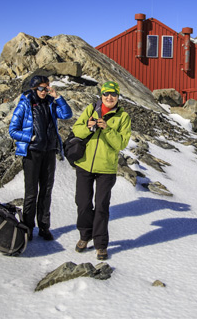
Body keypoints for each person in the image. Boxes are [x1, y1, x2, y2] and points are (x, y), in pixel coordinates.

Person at [7, 73, 73, 240]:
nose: (44, 91)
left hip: (49, 152)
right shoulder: (25, 105)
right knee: (31, 193)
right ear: (34, 89)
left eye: (46, 88)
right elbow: (12, 130)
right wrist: (31, 138)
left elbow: (67, 114)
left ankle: (44, 227)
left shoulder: (51, 103)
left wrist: (57, 96)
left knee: (46, 191)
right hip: (32, 153)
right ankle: (28, 228)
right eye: (41, 88)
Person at [71, 80, 132, 261]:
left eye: (113, 94)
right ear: (101, 95)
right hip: (85, 164)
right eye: (106, 94)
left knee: (102, 207)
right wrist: (89, 127)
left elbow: (121, 143)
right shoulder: (91, 109)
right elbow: (77, 130)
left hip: (106, 168)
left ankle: (101, 245)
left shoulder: (123, 117)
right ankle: (85, 235)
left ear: (118, 97)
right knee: (82, 203)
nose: (109, 97)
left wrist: (106, 129)